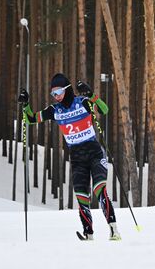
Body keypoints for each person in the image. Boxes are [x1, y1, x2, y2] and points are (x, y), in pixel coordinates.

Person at [18, 73, 121, 241]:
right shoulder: (54, 110)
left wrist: (91, 95)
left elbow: (104, 109)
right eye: (53, 94)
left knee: (99, 190)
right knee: (81, 195)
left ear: (67, 89)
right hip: (77, 156)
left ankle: (113, 230)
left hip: (94, 152)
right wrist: (26, 104)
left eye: (58, 92)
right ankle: (88, 233)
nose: (56, 96)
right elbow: (30, 119)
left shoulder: (82, 103)